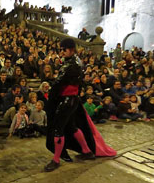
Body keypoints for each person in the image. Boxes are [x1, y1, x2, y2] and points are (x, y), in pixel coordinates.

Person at [45, 38, 116, 172]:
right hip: (73, 100)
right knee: (72, 127)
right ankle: (86, 150)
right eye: (61, 49)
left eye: (63, 49)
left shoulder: (70, 65)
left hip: (66, 101)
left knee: (58, 129)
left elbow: (58, 84)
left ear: (71, 49)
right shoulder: (76, 62)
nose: (61, 52)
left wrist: (51, 96)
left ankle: (56, 159)